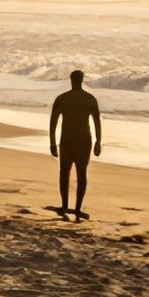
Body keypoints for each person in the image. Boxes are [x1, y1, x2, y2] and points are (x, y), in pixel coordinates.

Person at [49, 70, 103, 221]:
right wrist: (98, 141)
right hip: (83, 141)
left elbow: (53, 123)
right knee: (81, 174)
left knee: (64, 173)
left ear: (71, 80)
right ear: (82, 80)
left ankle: (65, 206)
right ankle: (76, 208)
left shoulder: (62, 99)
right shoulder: (89, 99)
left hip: (67, 140)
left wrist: (52, 142)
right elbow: (97, 122)